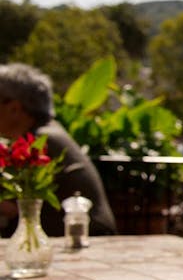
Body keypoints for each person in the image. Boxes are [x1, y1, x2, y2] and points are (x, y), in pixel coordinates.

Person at [0, 63, 117, 237]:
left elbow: (10, 208)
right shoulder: (48, 133)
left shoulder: (41, 141)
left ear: (15, 108)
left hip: (85, 243)